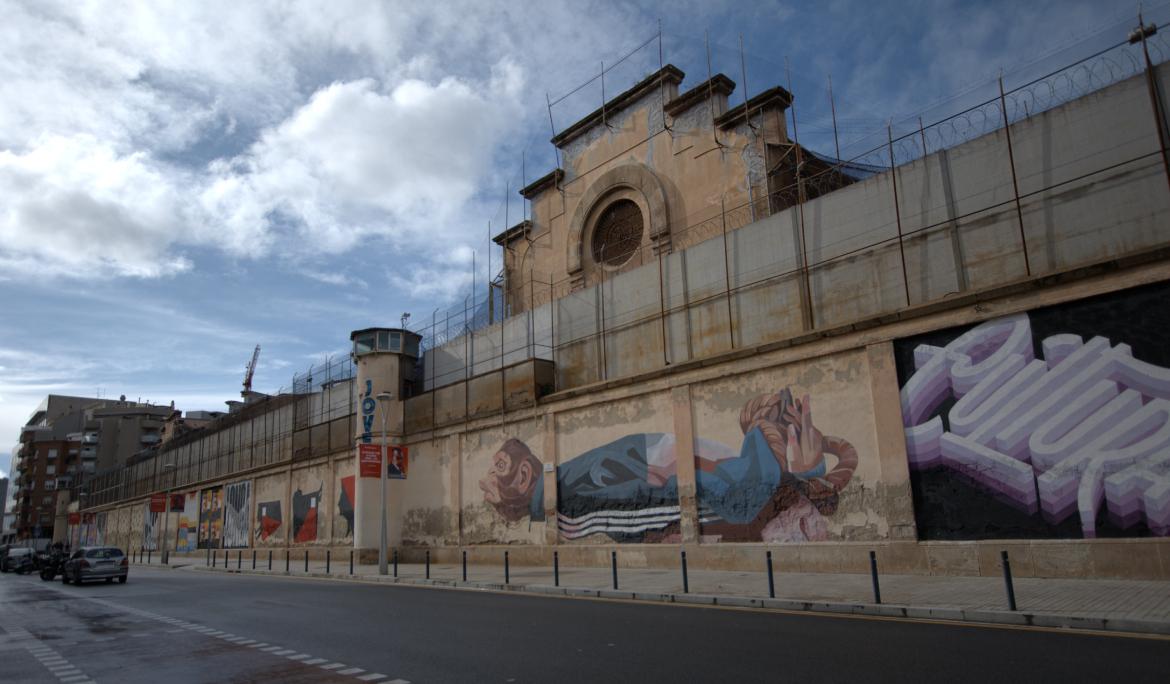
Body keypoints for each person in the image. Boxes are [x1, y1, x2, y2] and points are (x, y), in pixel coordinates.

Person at [479, 387, 858, 542]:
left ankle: (764, 430)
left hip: (646, 467)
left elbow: (616, 495)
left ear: (524, 473)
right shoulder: (559, 491)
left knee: (739, 500)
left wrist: (651, 479)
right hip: (644, 459)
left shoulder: (560, 497)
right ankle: (771, 440)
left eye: (497, 468)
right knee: (734, 493)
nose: (486, 482)